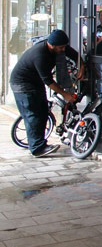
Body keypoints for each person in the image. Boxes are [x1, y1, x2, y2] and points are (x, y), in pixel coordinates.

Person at [10, 29, 84, 157]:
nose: (63, 50)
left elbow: (76, 56)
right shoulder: (40, 55)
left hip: (35, 82)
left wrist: (82, 67)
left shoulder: (59, 46)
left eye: (64, 47)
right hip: (23, 84)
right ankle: (37, 148)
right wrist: (65, 94)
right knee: (34, 114)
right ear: (52, 45)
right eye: (61, 48)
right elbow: (48, 81)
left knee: (43, 111)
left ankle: (37, 142)